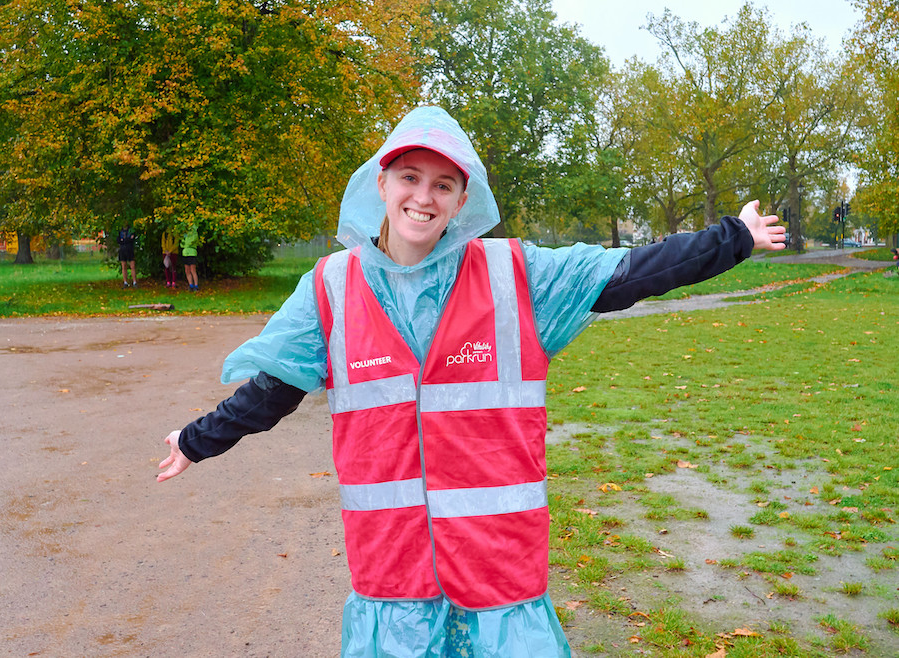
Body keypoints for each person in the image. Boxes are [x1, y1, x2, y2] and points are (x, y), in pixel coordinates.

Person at [157, 106, 785, 657]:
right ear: (382, 183)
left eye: (443, 184)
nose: (423, 197)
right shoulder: (331, 285)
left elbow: (630, 273)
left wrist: (733, 238)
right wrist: (197, 440)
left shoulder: (516, 274)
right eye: (410, 177)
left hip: (498, 576)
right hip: (392, 575)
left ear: (462, 200)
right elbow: (275, 388)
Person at [180, 225, 199, 292]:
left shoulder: (194, 232)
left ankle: (196, 286)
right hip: (185, 253)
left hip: (192, 253)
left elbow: (192, 241)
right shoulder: (184, 233)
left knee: (193, 270)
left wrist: (186, 244)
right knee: (187, 270)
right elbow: (182, 243)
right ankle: (190, 285)